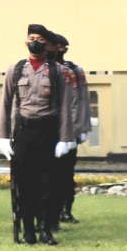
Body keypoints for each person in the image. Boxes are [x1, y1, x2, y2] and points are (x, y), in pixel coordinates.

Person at [0, 24, 75, 246]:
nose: (35, 42)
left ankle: (45, 229)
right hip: (23, 131)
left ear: (48, 45)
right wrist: (3, 136)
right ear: (25, 42)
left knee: (47, 184)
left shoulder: (58, 71)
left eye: (39, 39)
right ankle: (28, 230)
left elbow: (65, 106)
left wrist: (65, 138)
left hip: (48, 131)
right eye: (31, 38)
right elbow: (5, 102)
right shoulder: (16, 69)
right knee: (25, 183)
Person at [51, 33, 91, 225]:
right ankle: (49, 213)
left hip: (69, 131)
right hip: (47, 129)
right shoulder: (44, 69)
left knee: (66, 174)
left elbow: (82, 100)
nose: (58, 50)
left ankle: (65, 210)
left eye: (61, 47)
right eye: (55, 46)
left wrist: (82, 128)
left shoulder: (74, 71)